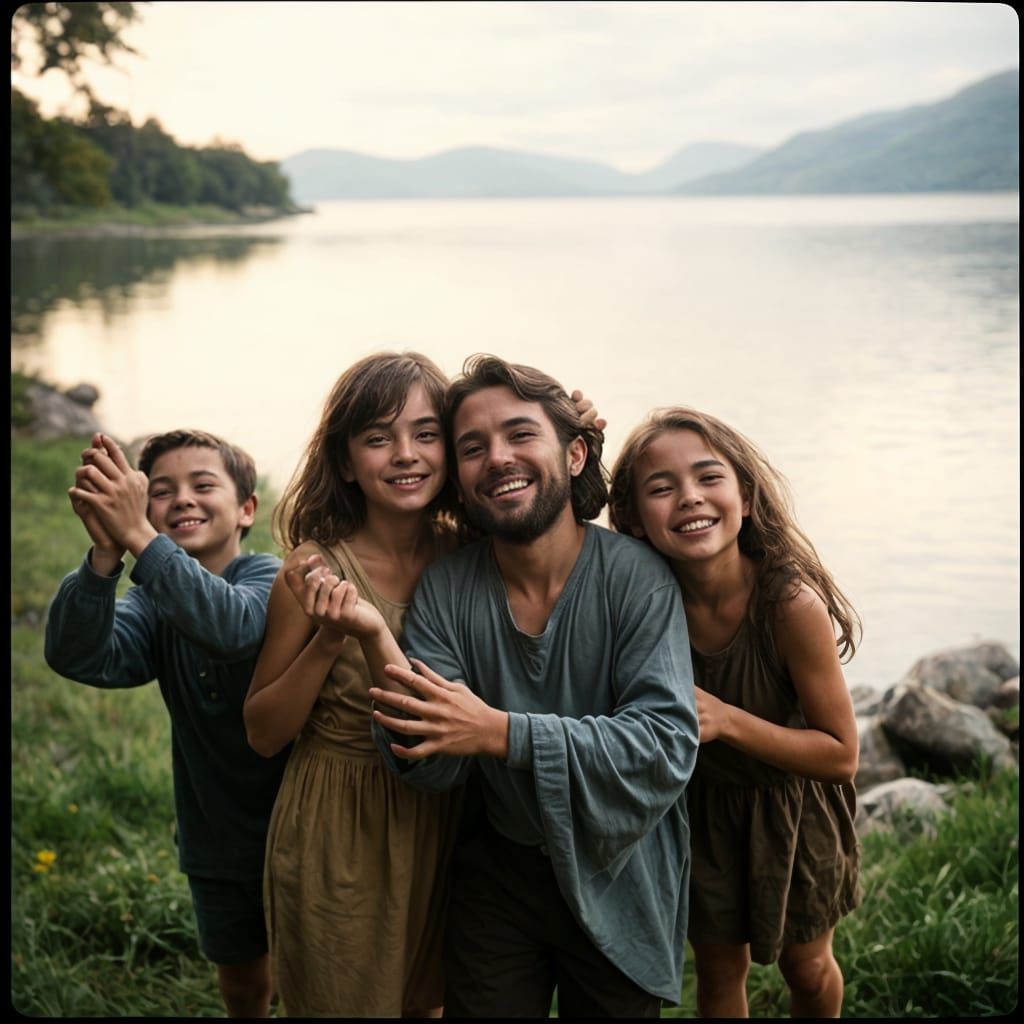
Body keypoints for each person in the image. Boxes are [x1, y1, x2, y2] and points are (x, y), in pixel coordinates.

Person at [243, 351, 605, 1018]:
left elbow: (557, 524)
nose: (406, 455)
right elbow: (263, 732)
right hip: (344, 820)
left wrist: (572, 439)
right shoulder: (315, 568)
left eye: (426, 434)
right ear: (347, 462)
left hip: (451, 817)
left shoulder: (469, 550)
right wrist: (330, 638)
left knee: (436, 1000)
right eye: (378, 438)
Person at [337, 355, 699, 1018]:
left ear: (576, 454)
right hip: (500, 872)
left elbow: (665, 746)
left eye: (521, 435)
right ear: (458, 477)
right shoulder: (448, 588)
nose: (497, 457)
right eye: (472, 447)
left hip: (621, 862)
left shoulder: (637, 578)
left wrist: (500, 732)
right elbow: (430, 762)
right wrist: (414, 720)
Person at [607, 407, 862, 1019]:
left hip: (793, 810)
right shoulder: (643, 603)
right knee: (720, 971)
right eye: (661, 489)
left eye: (707, 478)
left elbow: (841, 753)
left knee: (806, 966)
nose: (689, 498)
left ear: (744, 497)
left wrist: (726, 720)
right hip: (700, 813)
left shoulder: (789, 603)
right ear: (636, 522)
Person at [44, 429, 288, 1018]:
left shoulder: (271, 578)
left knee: (312, 977)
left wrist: (140, 539)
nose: (182, 499)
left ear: (247, 510)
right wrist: (106, 557)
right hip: (214, 836)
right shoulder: (152, 603)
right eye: (161, 491)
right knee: (242, 984)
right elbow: (80, 655)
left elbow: (231, 628)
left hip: (300, 831)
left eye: (204, 485)